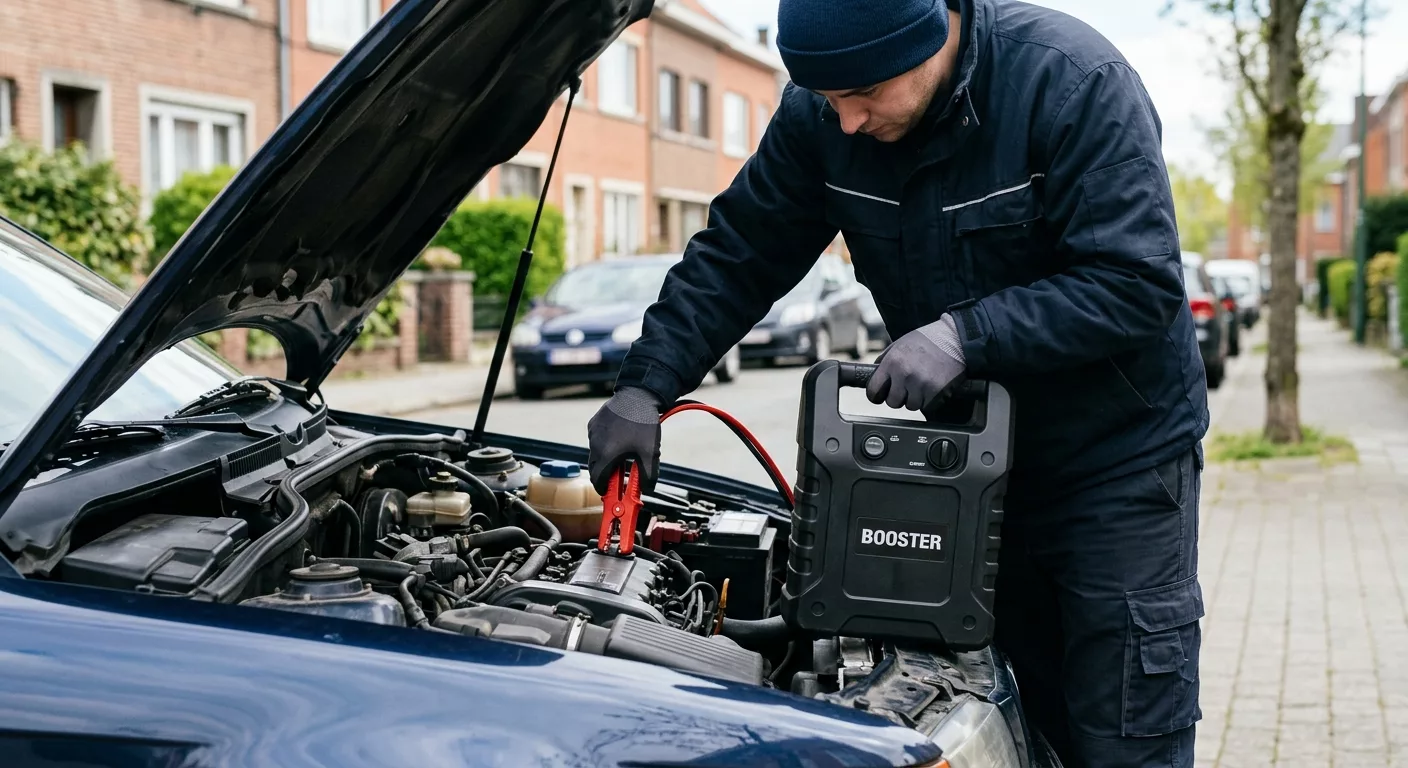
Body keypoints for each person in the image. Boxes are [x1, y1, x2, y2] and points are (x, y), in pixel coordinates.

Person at [586, 0, 1208, 764]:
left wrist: (967, 334)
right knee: (1001, 719)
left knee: (1123, 728)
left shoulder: (1071, 82)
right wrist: (646, 386)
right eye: (830, 101)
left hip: (1118, 468)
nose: (846, 123)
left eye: (865, 97)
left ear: (932, 37)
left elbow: (1135, 282)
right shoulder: (824, 114)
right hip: (978, 475)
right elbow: (739, 255)